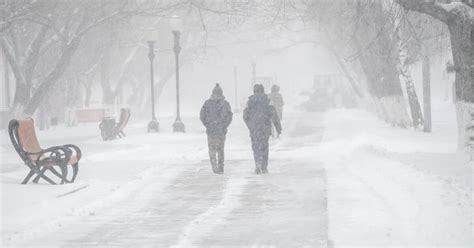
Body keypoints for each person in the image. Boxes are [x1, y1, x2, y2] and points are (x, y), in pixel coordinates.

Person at [243, 84, 282, 174]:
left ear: (254, 91)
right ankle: (264, 166)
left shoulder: (249, 101)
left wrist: (250, 125)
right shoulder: (268, 100)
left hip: (254, 128)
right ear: (263, 90)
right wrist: (278, 128)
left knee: (255, 146)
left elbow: (245, 115)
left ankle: (257, 162)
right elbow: (274, 115)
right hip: (265, 127)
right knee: (265, 146)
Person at [200, 84, 233, 174]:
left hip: (211, 130)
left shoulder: (207, 103)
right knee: (221, 149)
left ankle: (214, 165)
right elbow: (229, 116)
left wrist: (208, 124)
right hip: (221, 130)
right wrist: (225, 125)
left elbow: (202, 116)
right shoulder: (225, 104)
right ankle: (221, 166)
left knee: (212, 149)